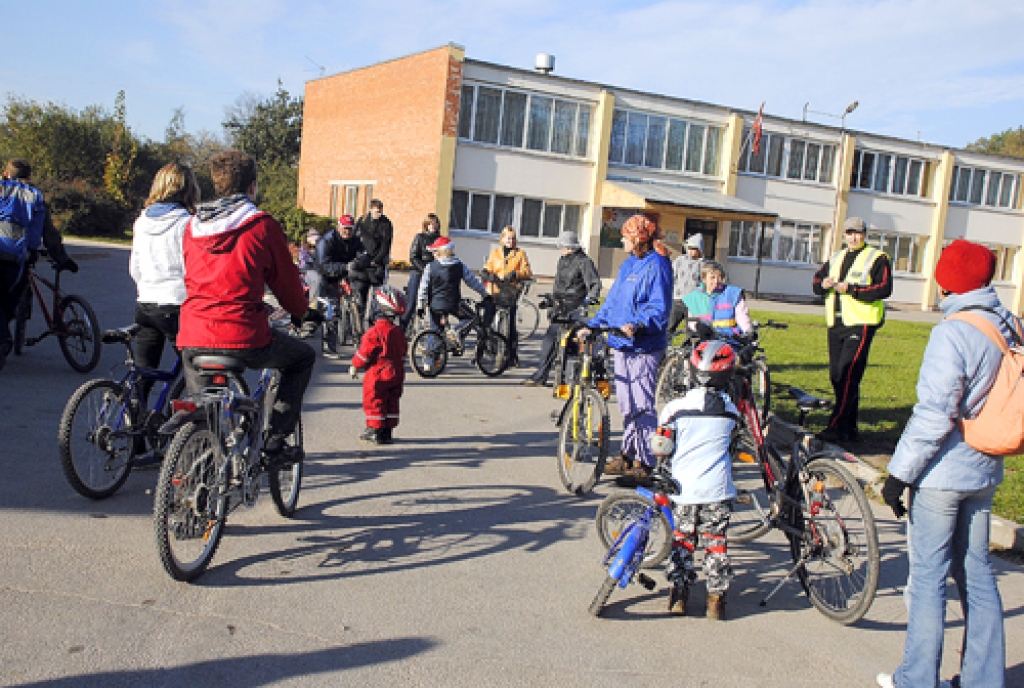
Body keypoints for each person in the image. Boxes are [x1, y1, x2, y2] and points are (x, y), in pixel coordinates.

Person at [876, 240, 1010, 688]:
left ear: (946, 281)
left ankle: (917, 679)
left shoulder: (953, 332)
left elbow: (935, 414)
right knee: (978, 574)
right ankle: (982, 680)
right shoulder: (1009, 324)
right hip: (986, 467)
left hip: (942, 473)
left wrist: (899, 474)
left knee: (929, 578)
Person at [177, 150, 320, 466]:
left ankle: (199, 473)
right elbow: (288, 289)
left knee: (203, 413)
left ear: (216, 184)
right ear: (252, 186)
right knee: (301, 358)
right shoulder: (261, 226)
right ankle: (276, 443)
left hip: (193, 333)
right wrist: (302, 312)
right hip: (241, 334)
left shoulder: (192, 226)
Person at [581, 214, 672, 478]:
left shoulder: (658, 265)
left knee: (642, 404)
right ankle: (628, 453)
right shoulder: (629, 264)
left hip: (644, 346)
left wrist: (639, 324)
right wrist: (594, 325)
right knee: (626, 404)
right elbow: (613, 303)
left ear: (638, 238)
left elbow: (659, 307)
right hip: (621, 344)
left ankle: (645, 462)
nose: (622, 241)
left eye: (625, 237)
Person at [656, 339, 738, 620]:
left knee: (683, 540)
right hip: (717, 489)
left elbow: (662, 446)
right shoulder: (731, 411)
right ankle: (716, 600)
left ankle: (679, 595)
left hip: (684, 488)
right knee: (716, 541)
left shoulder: (675, 409)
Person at [812, 217, 892, 443]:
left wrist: (853, 289)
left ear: (864, 234)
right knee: (837, 376)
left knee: (848, 375)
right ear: (844, 235)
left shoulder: (877, 258)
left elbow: (884, 288)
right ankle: (848, 428)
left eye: (857, 233)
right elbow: (817, 281)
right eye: (849, 233)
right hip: (836, 323)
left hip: (860, 322)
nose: (853, 237)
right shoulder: (837, 257)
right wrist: (823, 285)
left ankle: (835, 426)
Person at [128, 162, 198, 401]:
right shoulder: (188, 223)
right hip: (177, 304)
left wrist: (147, 286)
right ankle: (193, 419)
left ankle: (134, 420)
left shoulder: (142, 221)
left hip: (146, 302)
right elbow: (193, 269)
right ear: (188, 189)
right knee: (196, 371)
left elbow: (135, 267)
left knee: (143, 376)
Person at [0, 158, 78, 372]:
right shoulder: (35, 196)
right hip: (18, 257)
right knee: (9, 301)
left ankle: (3, 340)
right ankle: (5, 337)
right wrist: (62, 259)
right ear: (29, 176)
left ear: (6, 174)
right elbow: (48, 233)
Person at [522, 230, 601, 386]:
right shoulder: (562, 261)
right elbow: (558, 285)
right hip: (561, 308)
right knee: (549, 342)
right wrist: (552, 301)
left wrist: (590, 300)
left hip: (575, 308)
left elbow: (595, 284)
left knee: (571, 347)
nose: (560, 249)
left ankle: (569, 380)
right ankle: (541, 376)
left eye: (561, 246)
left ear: (569, 246)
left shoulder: (584, 262)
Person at [350, 285, 408, 445]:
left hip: (378, 372)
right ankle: (387, 431)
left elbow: (365, 353)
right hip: (397, 371)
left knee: (375, 400)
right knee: (392, 400)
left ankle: (374, 430)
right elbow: (403, 349)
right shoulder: (398, 331)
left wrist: (355, 365)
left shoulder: (374, 332)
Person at [309, 214, 367, 355]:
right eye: (345, 228)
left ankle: (354, 335)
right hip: (321, 274)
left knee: (353, 300)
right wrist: (345, 267)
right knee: (330, 308)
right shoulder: (326, 241)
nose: (347, 231)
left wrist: (360, 262)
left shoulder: (355, 240)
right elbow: (323, 265)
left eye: (350, 228)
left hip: (341, 272)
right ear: (338, 227)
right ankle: (314, 324)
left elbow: (364, 255)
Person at [415, 236, 490, 339]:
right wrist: (485, 294)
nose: (433, 254)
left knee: (435, 332)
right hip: (454, 304)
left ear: (441, 252)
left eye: (435, 251)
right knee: (471, 318)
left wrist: (420, 306)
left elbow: (423, 287)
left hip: (435, 305)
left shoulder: (430, 267)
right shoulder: (459, 266)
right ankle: (456, 332)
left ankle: (432, 349)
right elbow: (473, 282)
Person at [481, 226, 533, 367]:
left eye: (513, 238)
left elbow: (527, 272)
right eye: (508, 238)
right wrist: (486, 274)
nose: (511, 241)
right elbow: (487, 268)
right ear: (502, 239)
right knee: (486, 321)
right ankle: (484, 349)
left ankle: (512, 355)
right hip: (495, 290)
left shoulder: (520, 254)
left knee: (511, 325)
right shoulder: (495, 253)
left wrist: (517, 274)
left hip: (510, 291)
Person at [682, 260, 753, 336]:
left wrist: (748, 331)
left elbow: (742, 316)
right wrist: (698, 327)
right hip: (704, 337)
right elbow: (692, 320)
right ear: (704, 279)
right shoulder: (694, 297)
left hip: (731, 337)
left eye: (719, 277)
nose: (716, 281)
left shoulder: (733, 293)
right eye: (712, 277)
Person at [352, 198, 393, 324]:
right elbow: (355, 239)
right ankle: (358, 322)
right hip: (363, 264)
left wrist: (376, 260)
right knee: (361, 294)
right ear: (371, 210)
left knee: (377, 296)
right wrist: (358, 257)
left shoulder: (386, 224)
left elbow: (386, 246)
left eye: (380, 212)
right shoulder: (362, 221)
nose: (378, 214)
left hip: (377, 265)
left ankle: (373, 321)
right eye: (376, 212)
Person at [403, 213, 440, 331]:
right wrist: (425, 269)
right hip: (418, 273)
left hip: (434, 276)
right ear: (426, 225)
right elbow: (413, 257)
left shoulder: (440, 240)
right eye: (430, 223)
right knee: (411, 304)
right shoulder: (420, 238)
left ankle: (434, 334)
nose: (433, 225)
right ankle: (401, 330)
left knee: (435, 306)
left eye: (435, 223)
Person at [669, 234, 704, 335]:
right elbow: (672, 275)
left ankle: (690, 343)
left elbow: (704, 283)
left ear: (699, 250)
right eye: (689, 248)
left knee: (692, 329)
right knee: (669, 327)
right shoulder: (680, 260)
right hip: (677, 299)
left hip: (693, 302)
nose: (690, 251)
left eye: (694, 249)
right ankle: (665, 343)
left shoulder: (703, 264)